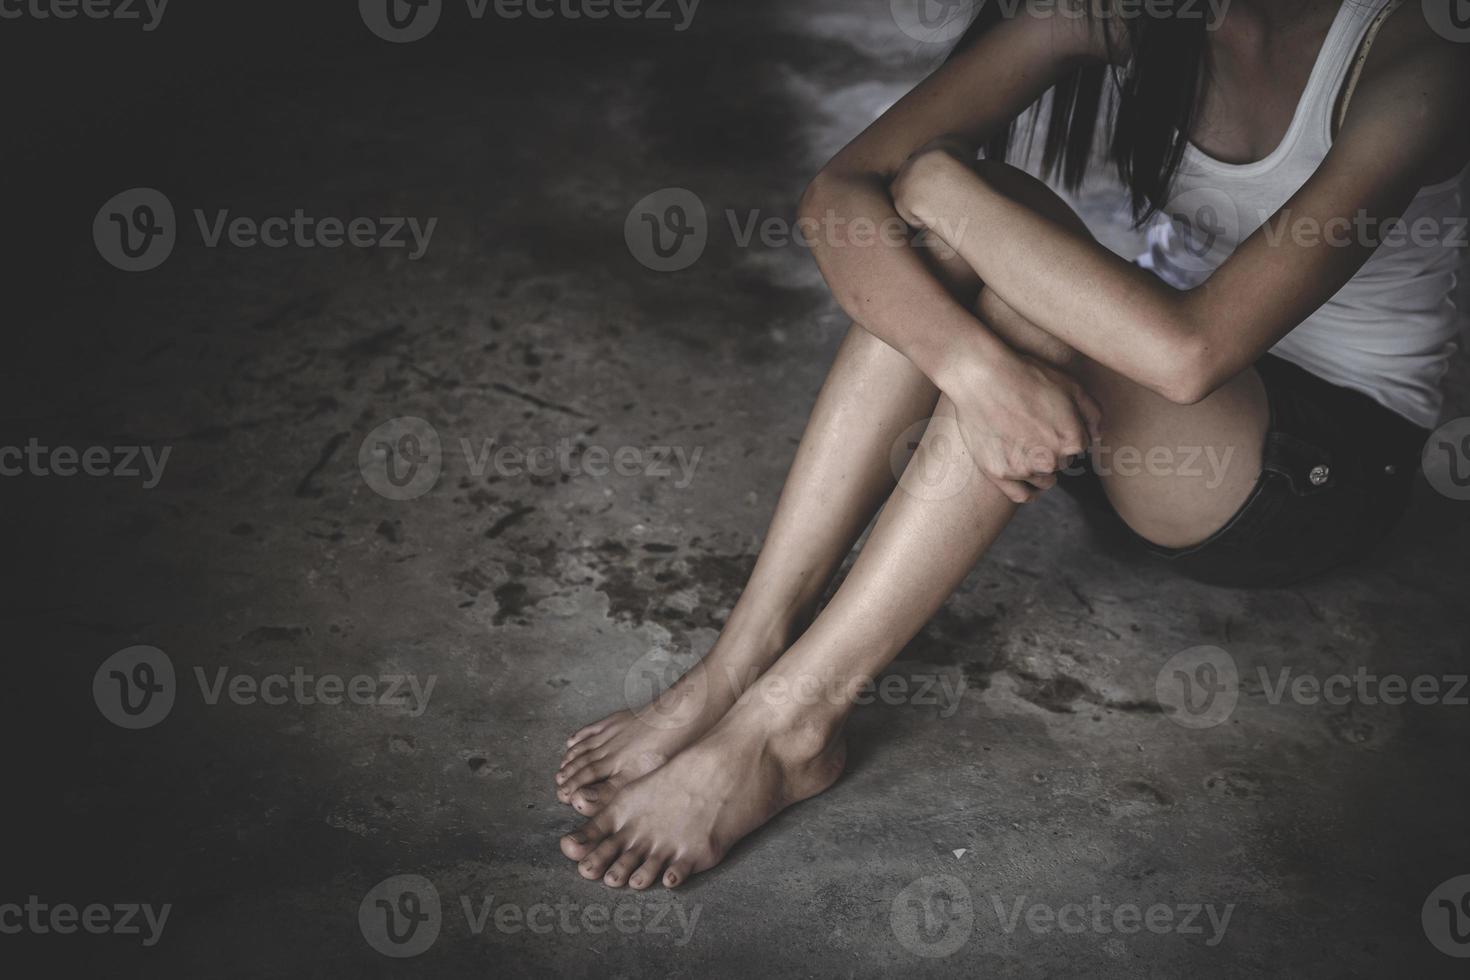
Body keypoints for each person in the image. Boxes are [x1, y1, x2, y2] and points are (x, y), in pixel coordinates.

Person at [555, 0, 1469, 890]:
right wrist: (973, 364)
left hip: (1307, 474)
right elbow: (837, 196)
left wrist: (943, 183)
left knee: (983, 230)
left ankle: (790, 731)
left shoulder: (1419, 60)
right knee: (949, 248)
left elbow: (1192, 357)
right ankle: (742, 658)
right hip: (1111, 423)